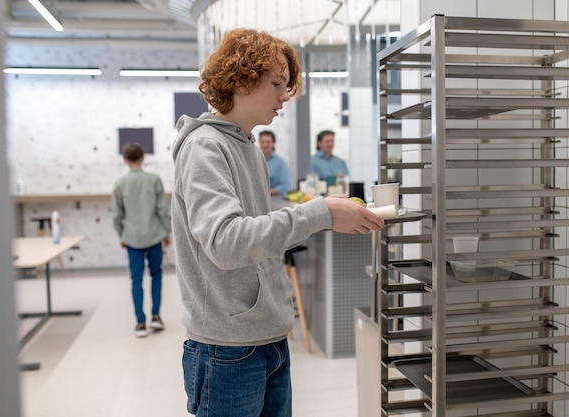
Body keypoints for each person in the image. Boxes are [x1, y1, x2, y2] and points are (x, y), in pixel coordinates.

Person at [171, 28, 385, 417]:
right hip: (227, 348)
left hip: (268, 335)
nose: (285, 96)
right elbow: (226, 242)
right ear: (240, 78)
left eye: (287, 85)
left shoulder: (248, 148)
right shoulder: (205, 147)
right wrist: (320, 213)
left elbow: (257, 235)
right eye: (276, 84)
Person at [111, 142, 171, 338]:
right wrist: (166, 232)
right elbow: (162, 209)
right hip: (154, 235)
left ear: (125, 160)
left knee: (136, 280)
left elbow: (116, 215)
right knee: (157, 275)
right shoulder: (154, 180)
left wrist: (122, 235)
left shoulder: (119, 184)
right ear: (143, 158)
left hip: (132, 238)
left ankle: (139, 323)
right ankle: (156, 316)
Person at [258, 129, 290, 196]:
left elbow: (285, 186)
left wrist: (268, 192)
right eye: (262, 142)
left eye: (268, 142)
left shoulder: (281, 163)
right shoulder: (253, 159)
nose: (265, 145)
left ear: (273, 143)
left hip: (273, 200)